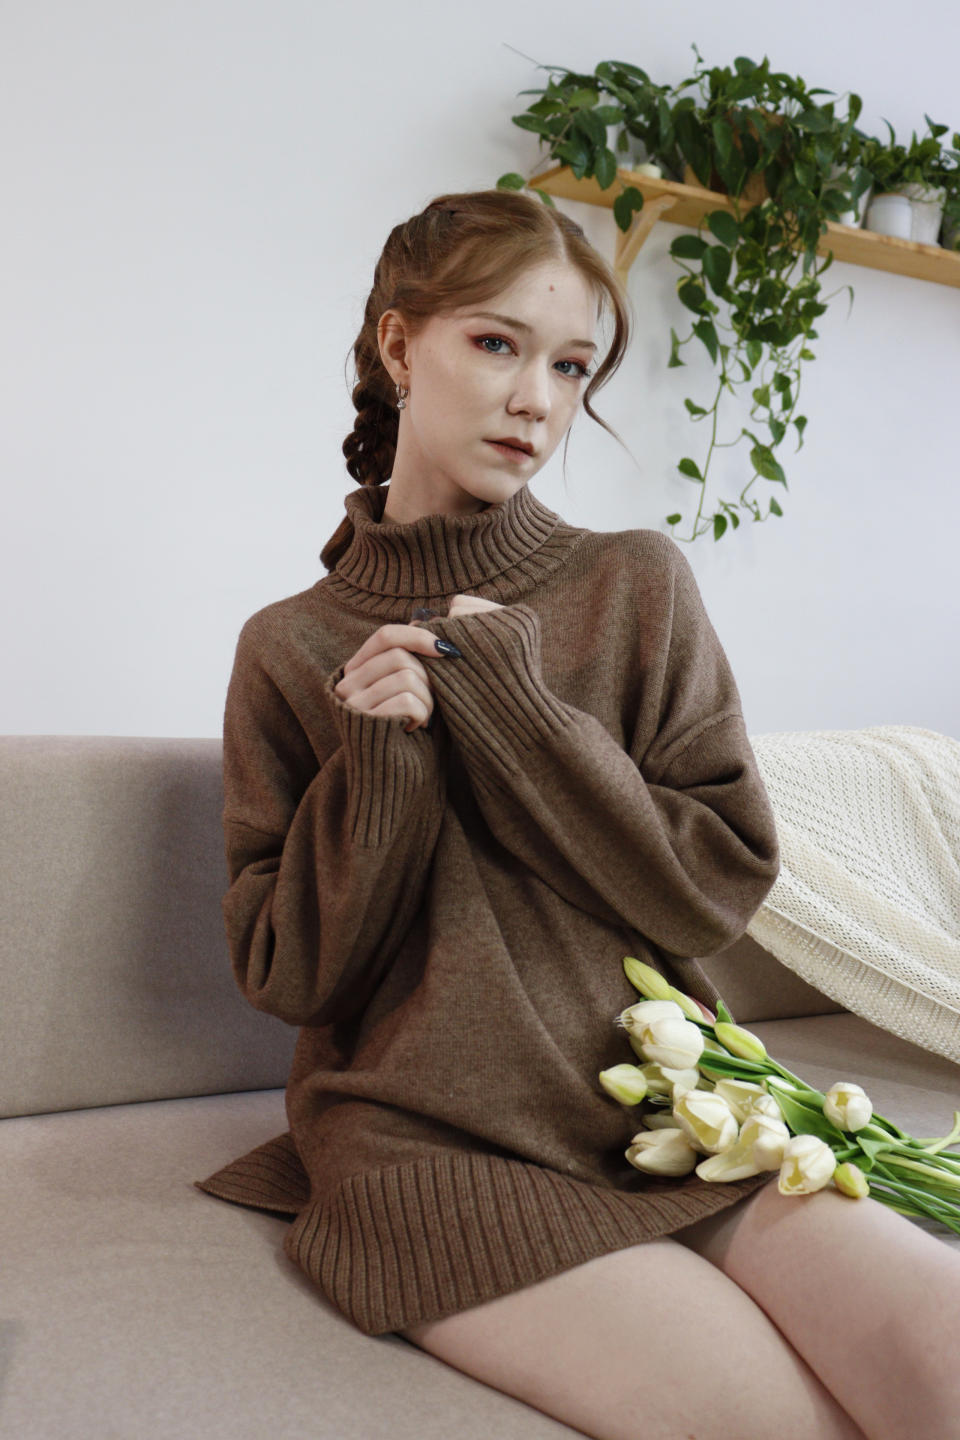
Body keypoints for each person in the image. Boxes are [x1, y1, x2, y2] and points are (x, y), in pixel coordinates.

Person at [195, 189, 960, 1440]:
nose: (536, 400)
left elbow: (708, 891)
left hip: (671, 1107)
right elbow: (292, 976)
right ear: (400, 347)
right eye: (496, 344)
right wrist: (376, 767)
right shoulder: (289, 648)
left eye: (569, 365)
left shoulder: (633, 581)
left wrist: (518, 710)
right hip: (431, 1146)